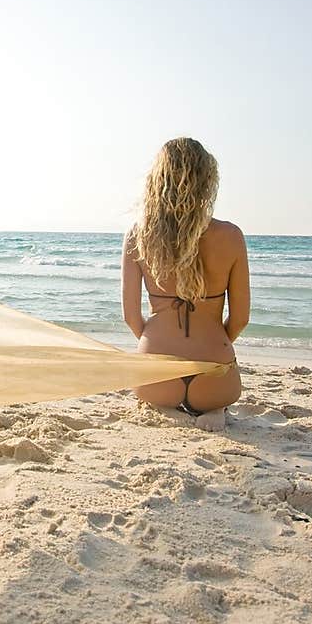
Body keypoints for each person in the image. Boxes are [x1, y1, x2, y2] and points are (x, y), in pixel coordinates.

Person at [121, 137, 249, 416]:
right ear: (207, 180)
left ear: (157, 181)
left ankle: (165, 406)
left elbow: (131, 318)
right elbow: (240, 319)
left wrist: (157, 340)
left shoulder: (138, 235)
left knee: (156, 397)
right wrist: (213, 342)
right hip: (215, 378)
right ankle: (213, 410)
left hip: (155, 376)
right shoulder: (231, 236)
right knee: (215, 400)